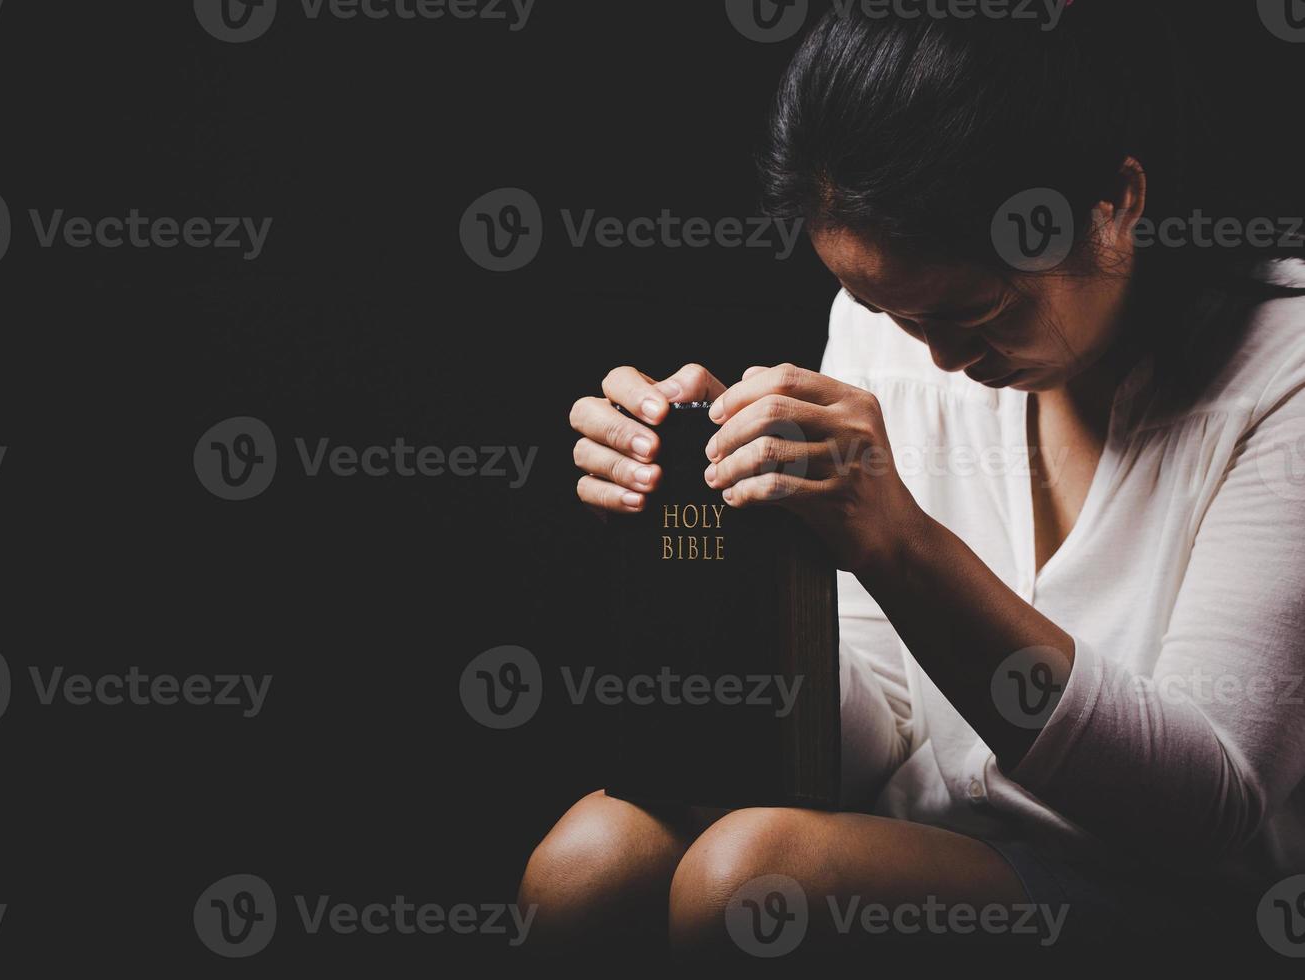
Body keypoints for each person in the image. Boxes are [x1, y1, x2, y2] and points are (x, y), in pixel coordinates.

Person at [521, 4, 1305, 955]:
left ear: (1117, 203)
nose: (934, 359)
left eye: (978, 309)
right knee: (586, 863)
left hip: (1178, 893)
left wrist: (896, 541)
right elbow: (876, 731)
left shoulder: (1283, 372)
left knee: (754, 883)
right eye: (885, 308)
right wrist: (721, 523)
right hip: (931, 834)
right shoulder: (889, 320)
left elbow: (1207, 815)